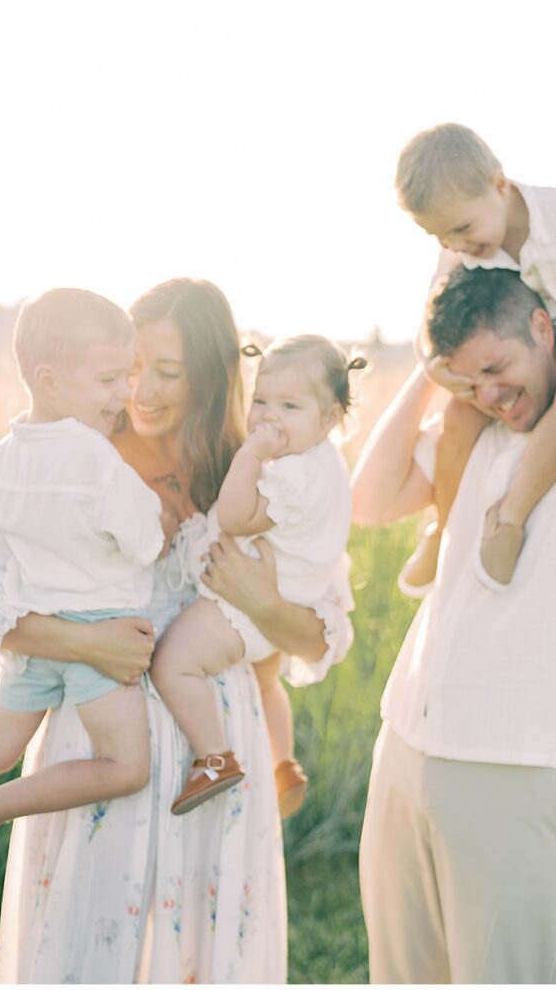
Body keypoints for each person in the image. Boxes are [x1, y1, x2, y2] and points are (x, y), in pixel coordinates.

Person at [0, 277, 354, 983]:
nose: (139, 389)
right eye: (129, 367)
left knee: (199, 951)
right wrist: (85, 644)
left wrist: (259, 603)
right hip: (95, 742)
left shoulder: (255, 475)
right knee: (89, 942)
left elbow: (318, 637)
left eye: (165, 372)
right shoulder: (66, 461)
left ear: (208, 377)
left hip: (215, 754)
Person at [351, 266, 556, 984]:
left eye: (498, 370)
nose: (491, 397)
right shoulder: (472, 429)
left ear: (543, 327)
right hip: (407, 739)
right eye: (468, 382)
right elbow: (370, 498)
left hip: (525, 761)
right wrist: (427, 376)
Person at [0, 289, 175, 911]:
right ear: (49, 381)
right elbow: (144, 541)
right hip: (96, 635)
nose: (121, 394)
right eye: (108, 379)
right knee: (126, 765)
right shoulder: (95, 458)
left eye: (125, 376)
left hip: (32, 629)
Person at [394, 122, 556, 593]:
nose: (455, 246)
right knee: (457, 415)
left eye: (462, 228)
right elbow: (431, 312)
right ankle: (442, 527)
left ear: (500, 185)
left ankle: (511, 516)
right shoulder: (464, 247)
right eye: (439, 238)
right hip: (526, 352)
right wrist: (435, 366)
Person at [150, 334, 364, 818]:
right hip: (291, 596)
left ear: (330, 419)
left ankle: (213, 757)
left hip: (244, 601)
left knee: (174, 664)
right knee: (268, 681)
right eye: (261, 400)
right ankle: (282, 762)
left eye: (289, 405)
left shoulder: (293, 473)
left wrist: (249, 454)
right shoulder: (326, 464)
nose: (268, 416)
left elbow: (234, 517)